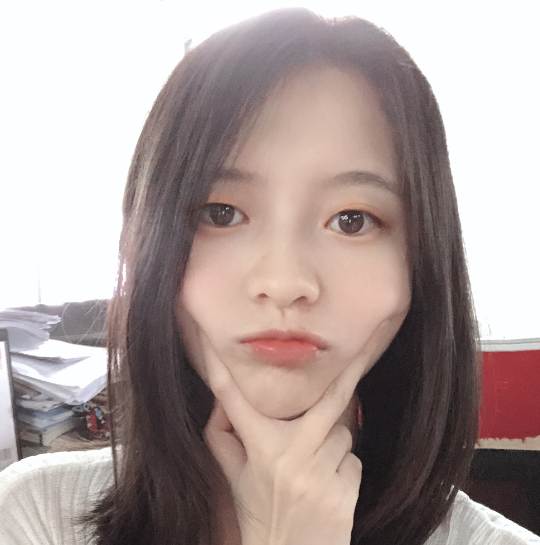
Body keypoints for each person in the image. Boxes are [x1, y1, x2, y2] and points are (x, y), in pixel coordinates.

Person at [0, 8, 539, 545]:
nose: (284, 283)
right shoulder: (35, 518)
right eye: (220, 214)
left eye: (352, 220)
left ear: (421, 264)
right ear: (144, 243)